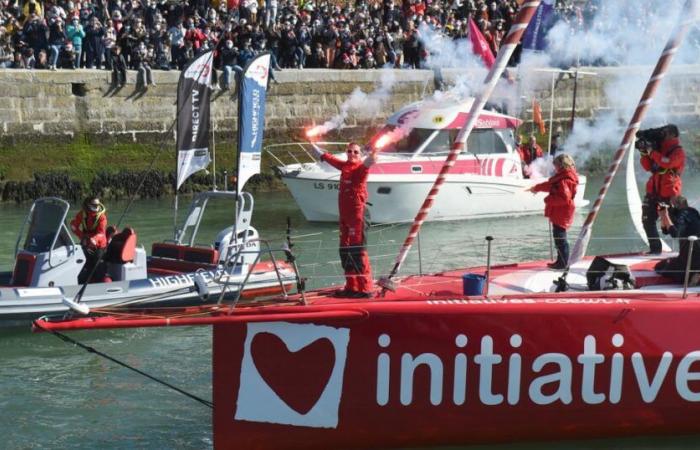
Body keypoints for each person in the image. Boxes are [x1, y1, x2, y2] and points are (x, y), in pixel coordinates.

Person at [311, 142, 377, 298]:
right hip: (345, 216)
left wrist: (371, 159)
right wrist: (321, 153)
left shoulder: (360, 169)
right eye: (350, 151)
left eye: (356, 152)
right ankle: (351, 286)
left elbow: (365, 167)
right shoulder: (345, 166)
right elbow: (333, 161)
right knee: (344, 251)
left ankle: (365, 288)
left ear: (360, 155)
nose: (352, 154)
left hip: (358, 215)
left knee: (357, 251)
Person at [639, 124, 685, 254]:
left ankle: (689, 250)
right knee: (647, 220)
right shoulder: (658, 149)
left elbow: (668, 162)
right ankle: (655, 249)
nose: (662, 135)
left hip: (670, 193)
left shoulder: (678, 151)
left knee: (675, 226)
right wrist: (644, 153)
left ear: (673, 134)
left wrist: (652, 152)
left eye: (665, 132)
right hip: (653, 190)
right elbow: (648, 167)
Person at [527, 154, 579, 270]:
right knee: (559, 238)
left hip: (562, 212)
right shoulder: (563, 177)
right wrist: (536, 188)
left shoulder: (564, 179)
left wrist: (548, 199)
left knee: (560, 238)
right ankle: (561, 261)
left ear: (560, 165)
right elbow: (550, 186)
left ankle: (563, 263)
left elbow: (564, 199)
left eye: (555, 165)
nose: (554, 168)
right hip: (561, 212)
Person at [654, 196, 700, 283]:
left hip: (689, 259)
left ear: (678, 205)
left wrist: (666, 215)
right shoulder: (694, 213)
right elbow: (665, 231)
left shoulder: (682, 214)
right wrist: (663, 216)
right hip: (694, 256)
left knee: (660, 267)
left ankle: (692, 276)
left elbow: (675, 233)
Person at [70, 197, 108, 284]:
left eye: (98, 204)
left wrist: (94, 239)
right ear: (88, 205)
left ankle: (99, 281)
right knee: (77, 255)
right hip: (86, 242)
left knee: (97, 259)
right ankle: (79, 280)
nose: (97, 206)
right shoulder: (82, 214)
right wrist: (82, 237)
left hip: (99, 245)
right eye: (94, 205)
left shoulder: (102, 217)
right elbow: (74, 226)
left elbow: (101, 233)